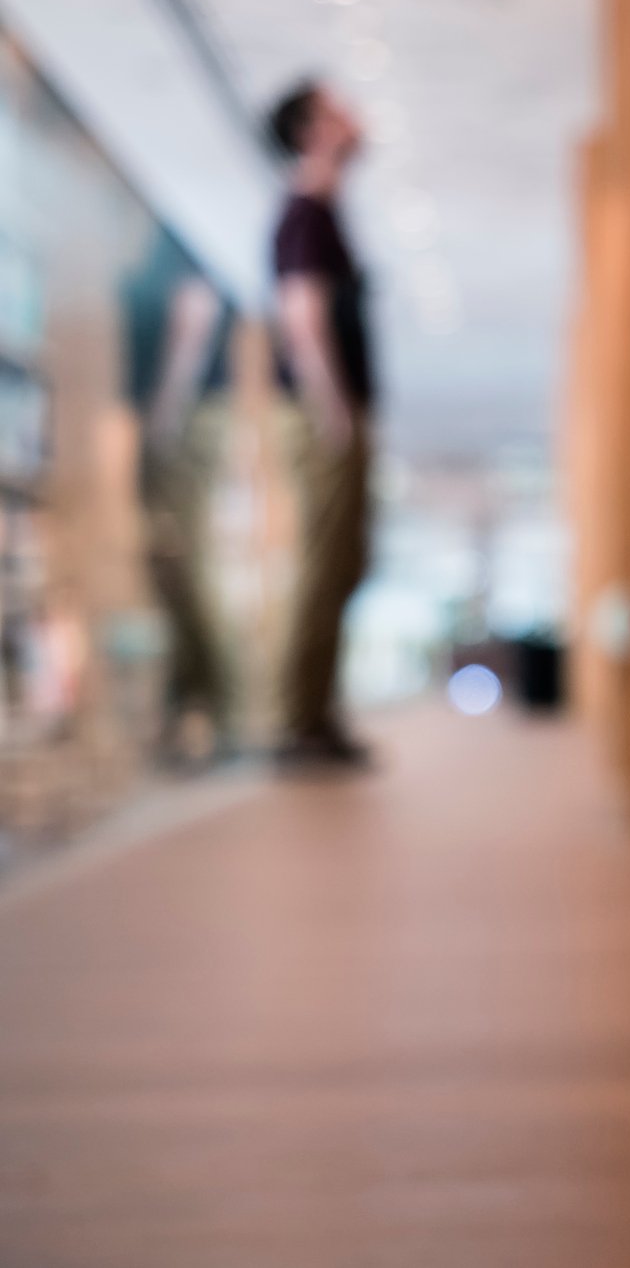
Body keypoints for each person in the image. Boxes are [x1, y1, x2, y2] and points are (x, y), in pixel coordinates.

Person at [265, 81, 376, 765]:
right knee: (326, 560)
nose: (354, 116)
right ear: (310, 131)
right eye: (337, 109)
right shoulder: (304, 213)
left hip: (332, 411)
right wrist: (335, 411)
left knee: (343, 561)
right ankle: (302, 724)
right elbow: (302, 321)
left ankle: (316, 716)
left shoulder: (323, 214)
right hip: (324, 413)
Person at [121, 230, 235, 764]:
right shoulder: (180, 251)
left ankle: (201, 711)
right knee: (178, 576)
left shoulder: (178, 250)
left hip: (179, 426)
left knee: (181, 572)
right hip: (181, 425)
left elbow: (192, 328)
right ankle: (194, 711)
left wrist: (164, 419)